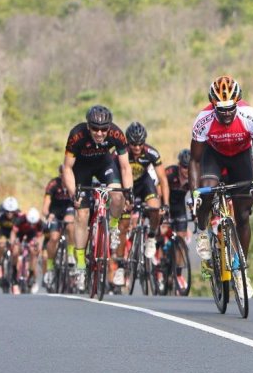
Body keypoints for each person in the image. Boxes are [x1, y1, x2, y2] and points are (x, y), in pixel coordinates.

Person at [190, 75, 253, 299]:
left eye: (229, 108)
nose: (225, 114)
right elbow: (194, 161)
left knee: (243, 215)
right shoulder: (203, 120)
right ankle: (203, 232)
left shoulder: (250, 116)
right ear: (213, 105)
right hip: (212, 157)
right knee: (206, 192)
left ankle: (241, 270)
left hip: (241, 157)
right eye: (220, 109)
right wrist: (195, 193)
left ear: (237, 103)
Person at [61, 104, 134, 292]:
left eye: (104, 129)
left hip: (104, 165)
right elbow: (67, 168)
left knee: (118, 197)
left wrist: (129, 191)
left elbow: (125, 167)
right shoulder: (76, 135)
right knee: (82, 214)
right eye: (95, 128)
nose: (100, 133)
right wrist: (73, 192)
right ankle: (80, 265)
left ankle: (114, 227)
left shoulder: (116, 134)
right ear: (88, 127)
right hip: (81, 169)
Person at [121, 122, 169, 281]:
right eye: (133, 143)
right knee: (124, 219)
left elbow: (162, 179)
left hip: (144, 184)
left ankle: (151, 237)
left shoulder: (151, 153)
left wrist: (166, 204)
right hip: (127, 186)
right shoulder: (121, 152)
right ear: (128, 142)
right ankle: (122, 260)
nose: (136, 147)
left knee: (154, 208)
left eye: (140, 143)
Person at [41, 165, 74, 289]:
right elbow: (46, 204)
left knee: (70, 224)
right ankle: (50, 267)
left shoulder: (75, 183)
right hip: (55, 212)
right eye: (62, 174)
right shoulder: (53, 184)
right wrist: (47, 214)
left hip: (69, 211)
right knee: (54, 238)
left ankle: (70, 254)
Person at [164, 149, 193, 244]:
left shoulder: (193, 177)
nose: (187, 170)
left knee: (181, 239)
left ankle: (179, 257)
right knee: (161, 232)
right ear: (179, 165)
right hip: (165, 204)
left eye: (190, 167)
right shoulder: (170, 172)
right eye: (185, 167)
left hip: (179, 207)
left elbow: (195, 197)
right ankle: (158, 255)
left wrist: (195, 212)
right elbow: (158, 189)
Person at [12, 208, 44, 293]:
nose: (32, 225)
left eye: (34, 224)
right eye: (30, 223)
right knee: (15, 250)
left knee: (33, 251)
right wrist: (14, 242)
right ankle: (14, 271)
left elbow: (40, 237)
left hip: (32, 236)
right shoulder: (21, 219)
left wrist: (38, 247)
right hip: (20, 234)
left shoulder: (40, 223)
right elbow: (13, 233)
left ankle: (31, 274)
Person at [0, 196, 20, 285]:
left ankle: (14, 270)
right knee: (1, 245)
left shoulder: (19, 216)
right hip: (3, 232)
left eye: (12, 212)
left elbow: (22, 230)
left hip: (14, 233)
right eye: (7, 211)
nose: (9, 214)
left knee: (15, 251)